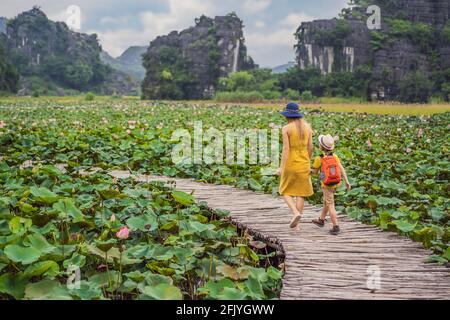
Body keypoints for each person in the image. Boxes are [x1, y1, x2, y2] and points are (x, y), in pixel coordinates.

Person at [277, 102, 314, 229]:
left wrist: (281, 167)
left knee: (284, 191)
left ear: (287, 115)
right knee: (300, 194)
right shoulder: (308, 127)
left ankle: (295, 213)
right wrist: (306, 161)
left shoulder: (286, 129)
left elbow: (286, 150)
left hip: (291, 164)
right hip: (304, 163)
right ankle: (297, 225)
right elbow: (311, 147)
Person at [311, 134, 351, 235]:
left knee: (330, 204)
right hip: (335, 183)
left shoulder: (319, 158)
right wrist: (346, 181)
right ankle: (321, 220)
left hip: (326, 184)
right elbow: (341, 168)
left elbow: (314, 172)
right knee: (327, 201)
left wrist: (305, 169)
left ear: (320, 146)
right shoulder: (335, 156)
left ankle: (335, 226)